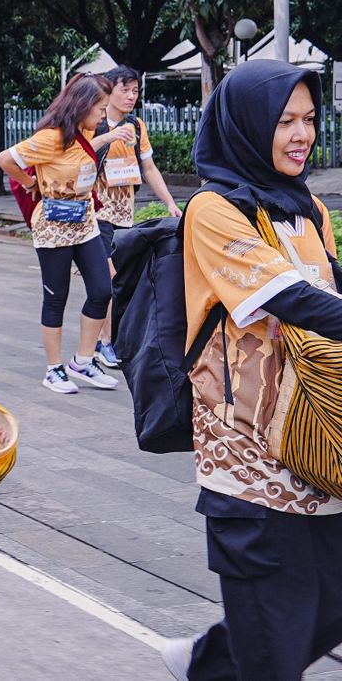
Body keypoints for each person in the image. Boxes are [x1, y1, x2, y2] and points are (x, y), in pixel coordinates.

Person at [161, 60, 342, 681]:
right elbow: (289, 296)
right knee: (276, 635)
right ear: (246, 124)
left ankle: (209, 660)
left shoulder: (309, 209)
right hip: (250, 454)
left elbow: (331, 291)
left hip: (317, 442)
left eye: (309, 119)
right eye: (284, 120)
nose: (302, 134)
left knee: (322, 610)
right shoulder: (213, 211)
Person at [0, 74, 132, 393]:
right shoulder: (50, 138)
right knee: (56, 297)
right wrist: (31, 184)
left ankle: (83, 362)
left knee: (102, 289)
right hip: (53, 226)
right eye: (99, 107)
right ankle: (53, 369)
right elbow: (4, 160)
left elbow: (84, 151)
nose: (103, 114)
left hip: (85, 221)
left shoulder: (86, 132)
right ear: (82, 105)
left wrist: (108, 137)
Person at [92, 66, 180, 368]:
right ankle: (104, 343)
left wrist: (169, 202)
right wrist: (110, 136)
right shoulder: (95, 122)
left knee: (121, 280)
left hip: (124, 214)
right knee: (108, 278)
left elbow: (149, 168)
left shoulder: (137, 125)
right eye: (125, 89)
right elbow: (74, 155)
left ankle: (107, 339)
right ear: (109, 90)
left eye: (135, 91)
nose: (131, 96)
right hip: (96, 212)